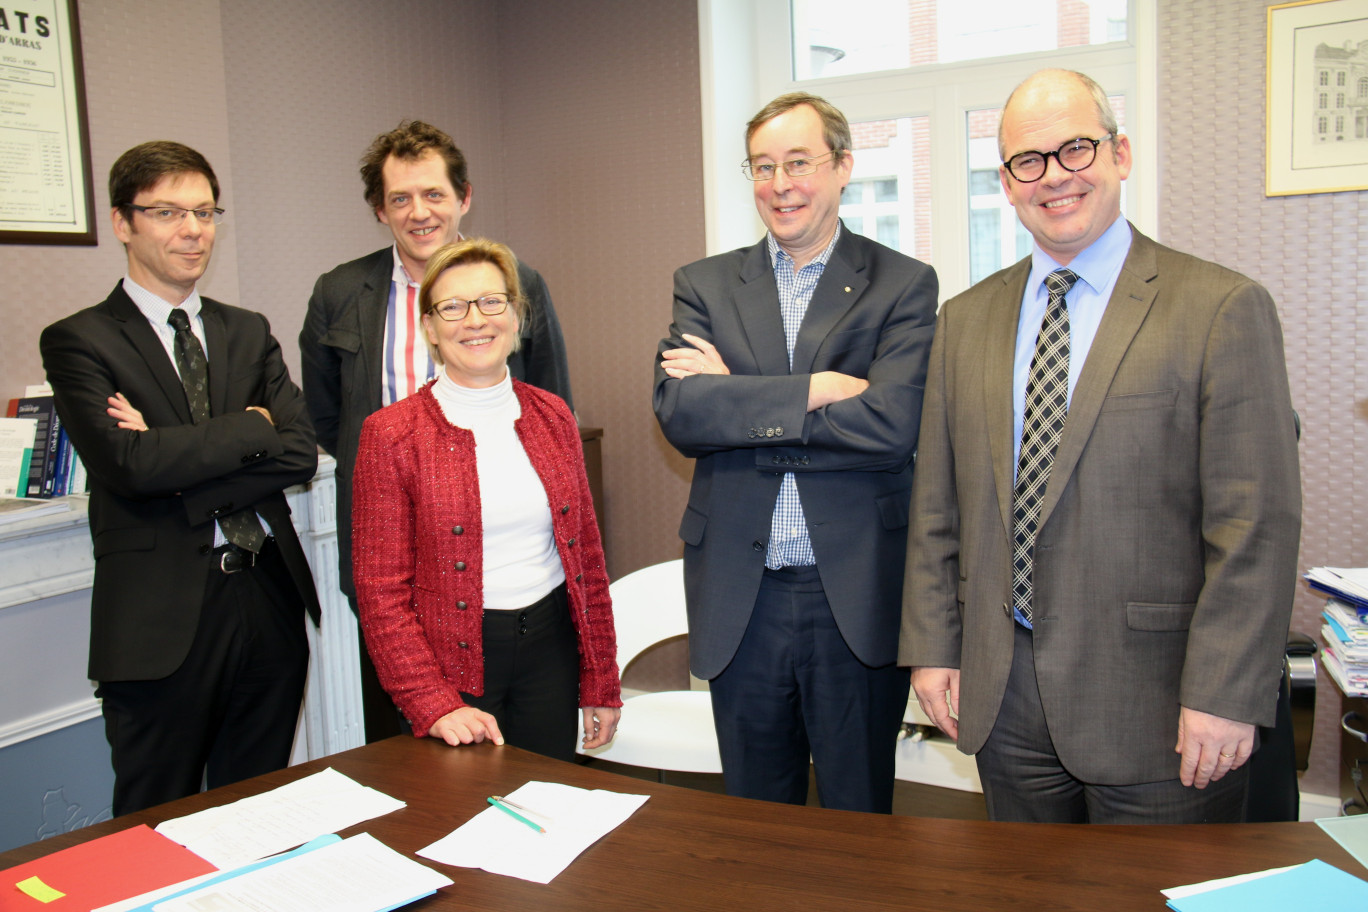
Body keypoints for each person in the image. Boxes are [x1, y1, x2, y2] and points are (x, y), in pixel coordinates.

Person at [900, 69, 1301, 824]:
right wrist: (933, 648)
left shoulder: (1220, 308)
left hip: (1162, 704)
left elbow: (1256, 527)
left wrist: (1223, 693)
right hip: (1004, 699)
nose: (1055, 176)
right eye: (1030, 160)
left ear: (1119, 152)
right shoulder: (965, 320)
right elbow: (937, 508)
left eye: (1075, 149)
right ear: (1008, 183)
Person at [653, 93, 938, 812]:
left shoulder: (903, 284)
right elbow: (682, 413)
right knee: (755, 818)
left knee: (857, 813)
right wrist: (817, 389)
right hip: (739, 596)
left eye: (800, 162)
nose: (780, 184)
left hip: (852, 590)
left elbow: (891, 426)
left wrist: (742, 403)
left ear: (843, 167)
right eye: (762, 166)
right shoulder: (705, 285)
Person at [39, 141, 320, 816]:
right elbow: (128, 468)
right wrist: (249, 430)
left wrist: (174, 454)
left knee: (255, 808)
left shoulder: (246, 332)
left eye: (203, 211)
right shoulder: (80, 340)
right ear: (122, 222)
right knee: (154, 818)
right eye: (167, 212)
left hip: (267, 602)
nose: (192, 230)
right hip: (157, 622)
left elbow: (300, 455)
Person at [299, 121, 574, 743]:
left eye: (433, 194)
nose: (418, 212)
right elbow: (327, 416)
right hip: (392, 560)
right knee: (411, 747)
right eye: (400, 198)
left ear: (464, 197)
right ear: (379, 209)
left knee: (528, 748)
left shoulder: (518, 283)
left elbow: (553, 405)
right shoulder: (340, 293)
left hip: (508, 565)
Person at [351, 238, 619, 759]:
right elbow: (380, 594)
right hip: (452, 664)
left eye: (492, 302)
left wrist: (601, 678)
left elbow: (586, 557)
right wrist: (431, 701)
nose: (475, 320)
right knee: (464, 822)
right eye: (452, 307)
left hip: (552, 652)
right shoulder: (391, 435)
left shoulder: (553, 416)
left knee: (548, 804)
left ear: (516, 316)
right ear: (429, 326)